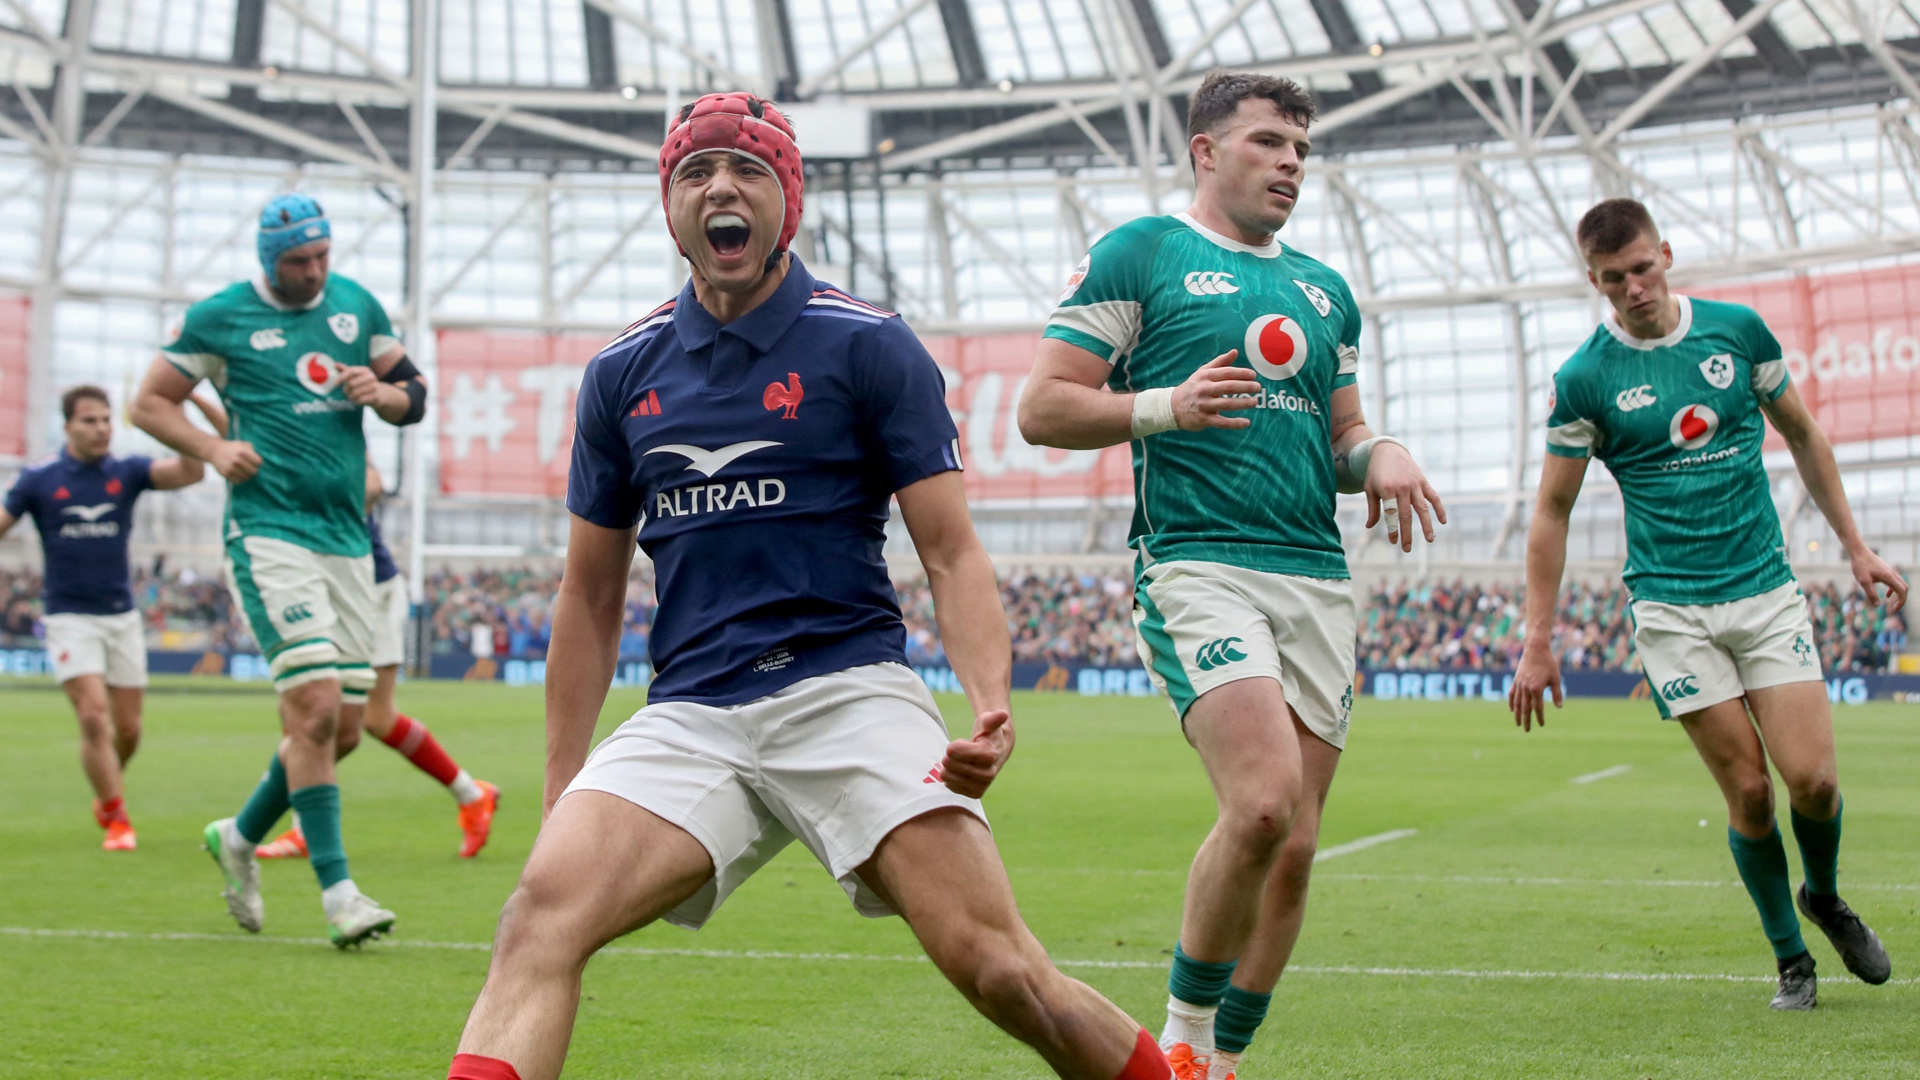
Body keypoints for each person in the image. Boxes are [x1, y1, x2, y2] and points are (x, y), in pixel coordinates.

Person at [447, 92, 1172, 1080]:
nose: (720, 189)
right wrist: (562, 777)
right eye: (694, 173)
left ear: (788, 195)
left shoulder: (868, 344)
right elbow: (588, 593)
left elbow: (952, 551)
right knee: (537, 921)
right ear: (671, 206)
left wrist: (992, 702)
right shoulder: (622, 372)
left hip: (847, 692)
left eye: (746, 169)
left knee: (1000, 971)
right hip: (693, 713)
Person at [1018, 70, 1445, 1080]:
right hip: (1197, 562)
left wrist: (1377, 451)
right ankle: (1185, 1039)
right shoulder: (1145, 254)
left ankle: (1224, 1061)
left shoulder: (1325, 291)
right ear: (1207, 153)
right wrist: (1163, 405)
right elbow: (1042, 407)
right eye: (1267, 142)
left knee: (1293, 845)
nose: (1291, 162)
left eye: (1300, 147)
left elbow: (1340, 439)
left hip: (1317, 579)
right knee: (1261, 804)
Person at [1509, 197, 1905, 1010]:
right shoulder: (1586, 379)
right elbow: (1550, 513)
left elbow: (1802, 433)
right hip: (1672, 614)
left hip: (1764, 591)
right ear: (1594, 281)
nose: (1634, 288)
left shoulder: (1737, 332)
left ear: (1668, 254)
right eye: (1614, 278)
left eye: (1644, 268)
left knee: (1816, 784)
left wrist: (1857, 547)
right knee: (1751, 793)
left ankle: (1823, 895)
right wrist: (1536, 638)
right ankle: (1792, 959)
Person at [130, 192, 429, 947]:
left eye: (323, 256)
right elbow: (150, 402)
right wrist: (212, 449)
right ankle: (341, 898)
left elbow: (415, 397)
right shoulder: (220, 318)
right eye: (300, 261)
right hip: (269, 531)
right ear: (271, 261)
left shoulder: (355, 306)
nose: (315, 271)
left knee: (346, 728)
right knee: (318, 708)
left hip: (346, 538)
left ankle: (238, 836)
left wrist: (384, 393)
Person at [241, 458, 500, 860]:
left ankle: (471, 794)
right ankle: (469, 794)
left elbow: (370, 487)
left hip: (368, 589)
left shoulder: (326, 426)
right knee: (303, 702)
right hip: (322, 589)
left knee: (371, 717)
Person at [0, 385, 214, 850]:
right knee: (94, 717)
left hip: (121, 616)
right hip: (68, 617)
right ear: (68, 426)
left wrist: (175, 417)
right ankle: (118, 819)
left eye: (106, 420)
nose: (101, 429)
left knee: (129, 730)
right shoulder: (39, 480)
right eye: (89, 421)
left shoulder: (128, 472)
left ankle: (106, 791)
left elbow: (192, 471)